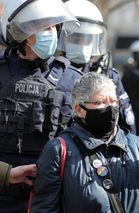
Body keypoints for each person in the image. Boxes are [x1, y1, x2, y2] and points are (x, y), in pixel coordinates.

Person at [30, 72, 139, 213]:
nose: (110, 108)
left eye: (113, 101)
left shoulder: (137, 145)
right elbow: (44, 208)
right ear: (79, 110)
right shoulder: (58, 150)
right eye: (100, 102)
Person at [0, 0, 82, 212]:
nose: (52, 32)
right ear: (21, 32)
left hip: (52, 201)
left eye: (54, 26)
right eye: (44, 26)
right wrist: (5, 174)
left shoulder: (72, 80)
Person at [57, 0, 136, 134]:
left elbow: (127, 128)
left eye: (88, 39)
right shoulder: (51, 74)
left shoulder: (108, 76)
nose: (82, 43)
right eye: (76, 38)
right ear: (62, 37)